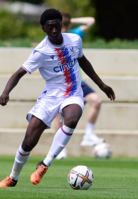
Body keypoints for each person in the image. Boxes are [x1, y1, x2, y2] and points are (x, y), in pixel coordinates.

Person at [0, 8, 115, 187]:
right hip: (50, 97)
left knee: (73, 118)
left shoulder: (75, 40)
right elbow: (18, 73)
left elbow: (83, 61)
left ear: (62, 25)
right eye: (49, 27)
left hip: (74, 93)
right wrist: (5, 93)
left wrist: (102, 85)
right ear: (43, 28)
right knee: (29, 140)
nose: (54, 30)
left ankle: (45, 164)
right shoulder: (40, 51)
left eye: (57, 26)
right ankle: (13, 177)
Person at [54, 13, 104, 159]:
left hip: (77, 82)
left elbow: (91, 21)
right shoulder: (51, 39)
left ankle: (89, 134)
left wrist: (71, 21)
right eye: (59, 25)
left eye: (64, 26)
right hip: (60, 84)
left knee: (96, 100)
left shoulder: (74, 35)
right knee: (60, 116)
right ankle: (60, 148)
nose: (62, 29)